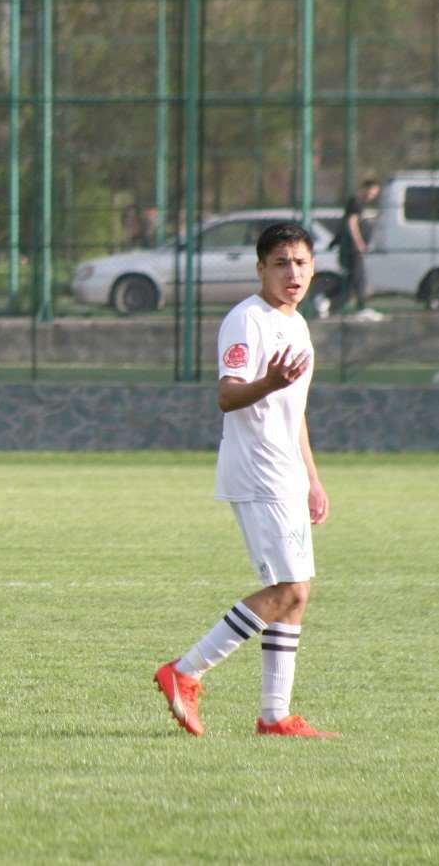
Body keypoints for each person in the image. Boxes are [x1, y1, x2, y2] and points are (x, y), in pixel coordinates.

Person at [154, 222, 337, 740]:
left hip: (286, 471)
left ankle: (274, 716)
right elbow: (228, 395)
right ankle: (185, 670)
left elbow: (294, 410)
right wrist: (267, 382)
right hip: (258, 469)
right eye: (280, 263)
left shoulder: (297, 325)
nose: (292, 272)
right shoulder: (247, 320)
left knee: (296, 594)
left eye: (300, 262)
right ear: (260, 269)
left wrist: (312, 479)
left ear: (313, 268)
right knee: (288, 588)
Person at [325, 178, 381, 320]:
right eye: (371, 193)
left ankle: (327, 301)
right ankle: (360, 308)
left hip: (350, 248)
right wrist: (359, 243)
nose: (372, 196)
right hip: (352, 250)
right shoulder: (356, 201)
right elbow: (352, 223)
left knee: (351, 280)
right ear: (365, 188)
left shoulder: (357, 203)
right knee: (358, 277)